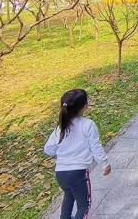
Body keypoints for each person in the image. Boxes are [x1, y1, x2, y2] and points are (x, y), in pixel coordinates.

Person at [44, 89, 110, 219]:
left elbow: (48, 149)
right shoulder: (88, 125)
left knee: (68, 197)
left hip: (61, 174)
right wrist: (104, 163)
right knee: (84, 206)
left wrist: (62, 151)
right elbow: (96, 147)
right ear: (84, 106)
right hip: (78, 173)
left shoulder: (61, 127)